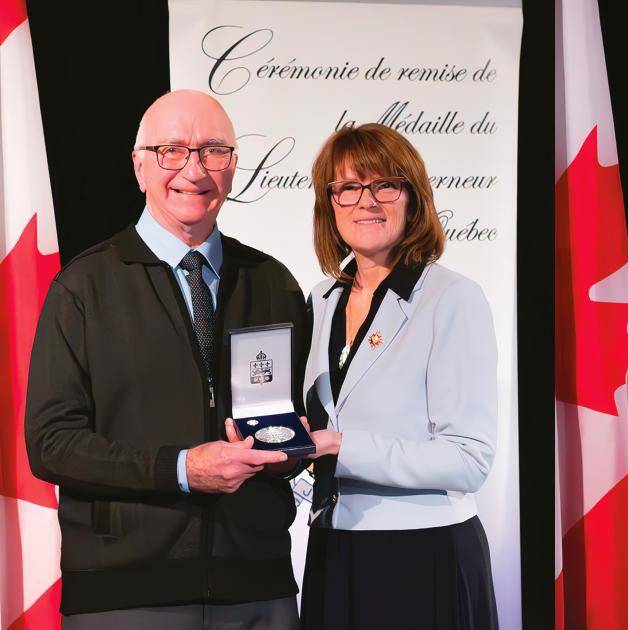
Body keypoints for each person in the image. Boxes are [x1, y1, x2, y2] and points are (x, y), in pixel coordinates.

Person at [24, 90, 308, 628]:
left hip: (258, 591)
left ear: (232, 167)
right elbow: (51, 446)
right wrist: (181, 469)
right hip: (125, 597)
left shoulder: (273, 283)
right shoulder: (84, 287)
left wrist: (289, 449)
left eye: (213, 151)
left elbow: (290, 419)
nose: (193, 169)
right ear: (139, 167)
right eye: (172, 150)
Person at [295, 123, 498, 629]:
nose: (367, 201)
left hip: (421, 555)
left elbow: (468, 459)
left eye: (385, 184)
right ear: (330, 203)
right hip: (331, 548)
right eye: (347, 187)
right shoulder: (321, 299)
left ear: (412, 198)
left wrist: (341, 446)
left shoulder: (452, 297)